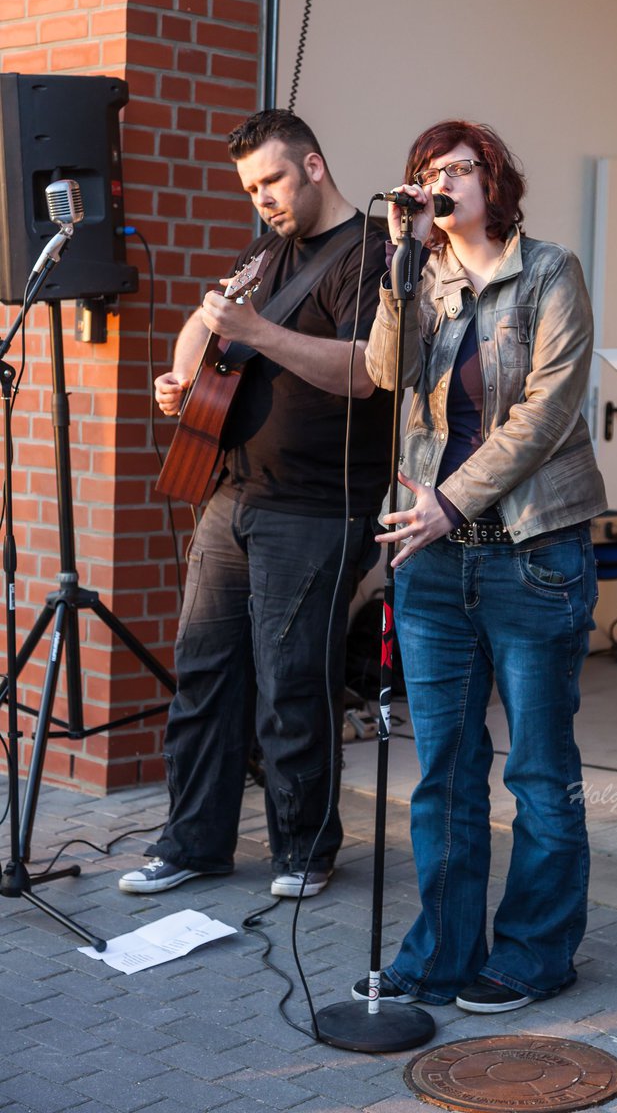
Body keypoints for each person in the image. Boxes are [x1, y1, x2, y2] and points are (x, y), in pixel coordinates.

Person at [351, 119, 607, 1013]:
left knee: (538, 769)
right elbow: (384, 375)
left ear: (492, 181)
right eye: (426, 171)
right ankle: (444, 950)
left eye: (456, 168)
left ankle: (536, 953)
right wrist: (397, 270)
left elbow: (544, 413)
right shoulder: (422, 277)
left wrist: (449, 499)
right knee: (446, 766)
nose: (439, 181)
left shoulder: (550, 274)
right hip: (432, 565)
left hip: (532, 554)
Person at [119, 110, 392, 898]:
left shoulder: (370, 254)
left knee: (290, 682)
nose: (261, 200)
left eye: (270, 181)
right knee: (204, 675)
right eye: (249, 189)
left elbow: (365, 372)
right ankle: (193, 843)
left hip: (316, 507)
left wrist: (259, 336)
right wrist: (179, 380)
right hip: (230, 493)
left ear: (312, 166)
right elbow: (201, 327)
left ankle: (304, 849)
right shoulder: (264, 251)